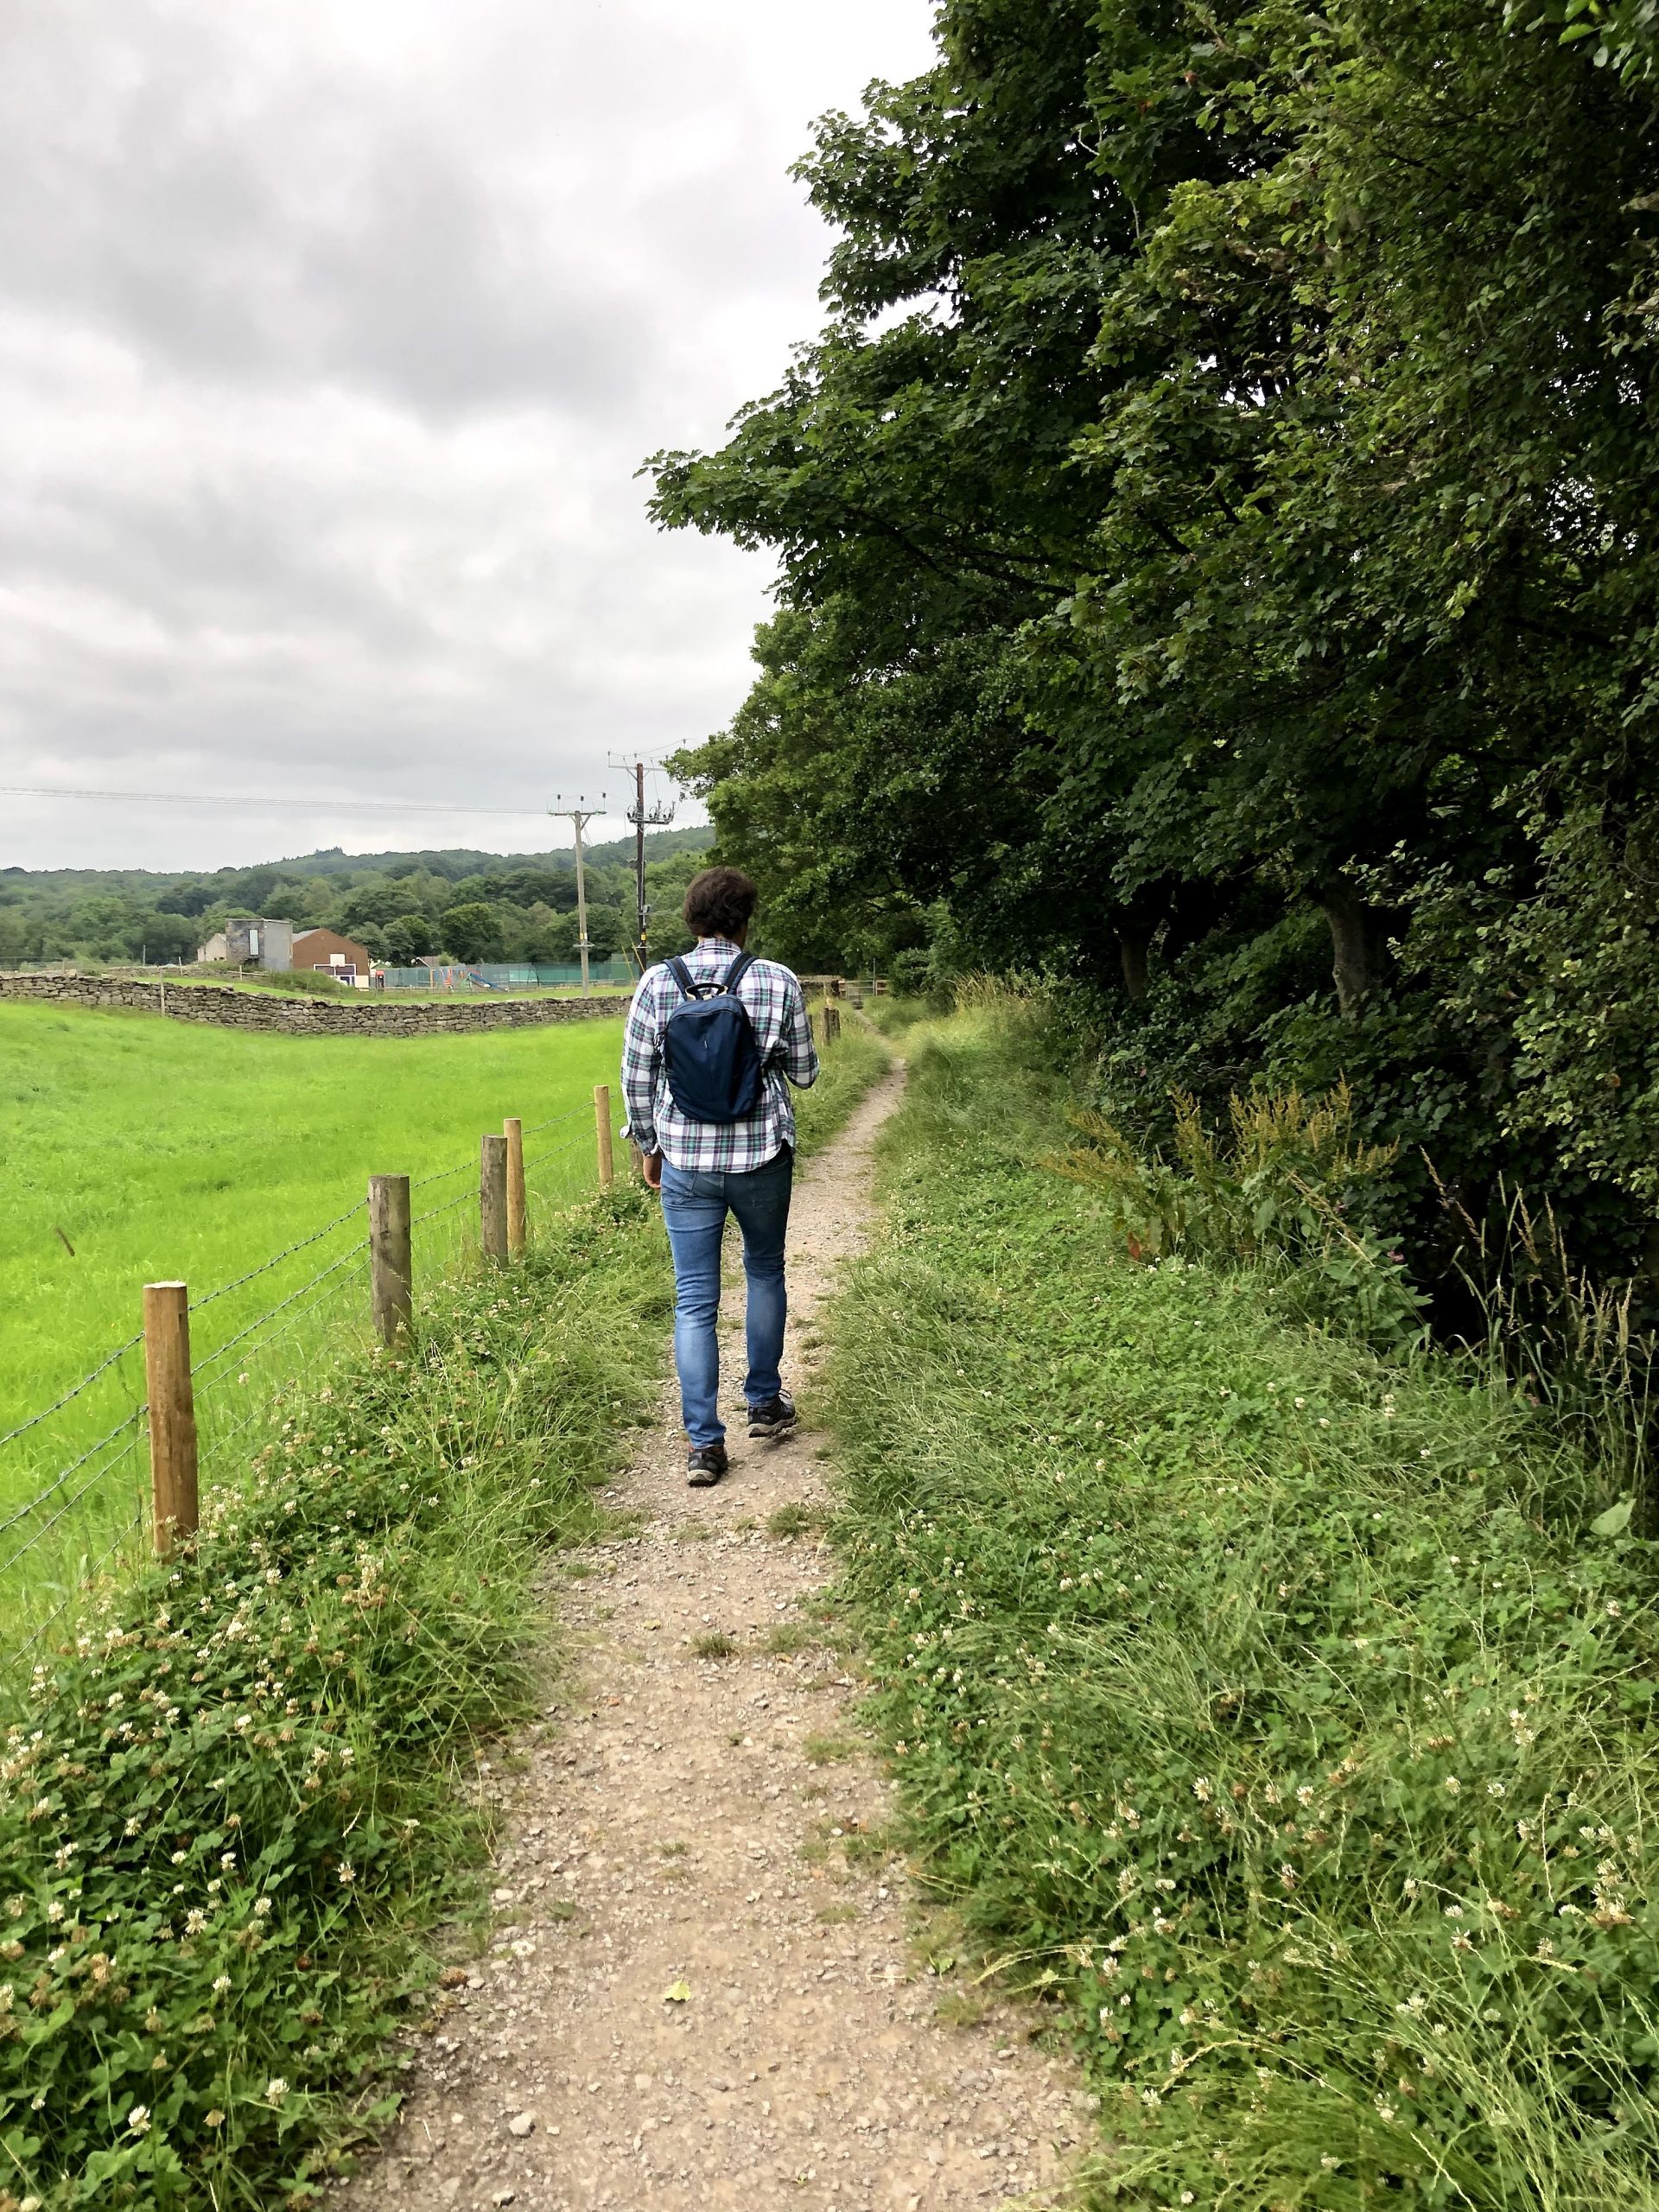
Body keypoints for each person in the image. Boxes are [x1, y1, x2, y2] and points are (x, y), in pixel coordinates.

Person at [620, 866, 820, 1485]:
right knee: (763, 1271)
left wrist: (650, 1145)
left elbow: (636, 1080)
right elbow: (806, 1073)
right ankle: (763, 1401)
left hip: (685, 1163)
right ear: (744, 920)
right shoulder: (776, 980)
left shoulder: (657, 982)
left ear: (693, 918)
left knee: (694, 1300)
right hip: (761, 1157)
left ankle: (704, 1444)